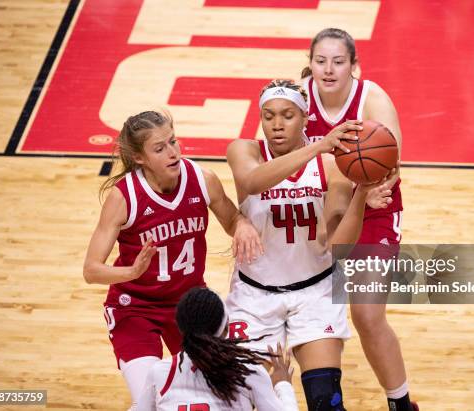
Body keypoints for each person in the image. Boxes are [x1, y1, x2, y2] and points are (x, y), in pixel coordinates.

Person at [225, 79, 393, 411]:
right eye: (268, 115)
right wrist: (318, 146)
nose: (276, 124)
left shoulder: (332, 165)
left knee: (326, 403)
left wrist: (360, 195)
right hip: (255, 296)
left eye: (288, 115)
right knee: (249, 402)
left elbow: (336, 244)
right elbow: (251, 182)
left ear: (305, 118)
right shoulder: (245, 151)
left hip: (314, 293)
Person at [82, 110, 262, 410]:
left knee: (224, 392)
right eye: (160, 148)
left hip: (189, 307)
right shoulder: (124, 197)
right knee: (152, 401)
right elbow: (91, 270)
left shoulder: (203, 180)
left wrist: (243, 225)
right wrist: (133, 271)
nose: (172, 152)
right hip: (136, 308)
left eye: (173, 141)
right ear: (140, 158)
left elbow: (232, 219)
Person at [300, 28, 417, 411]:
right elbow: (271, 155)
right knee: (304, 310)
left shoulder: (372, 98)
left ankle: (401, 403)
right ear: (310, 63)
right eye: (321, 61)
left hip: (373, 206)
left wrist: (362, 186)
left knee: (366, 314)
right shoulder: (297, 100)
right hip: (318, 212)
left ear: (354, 66)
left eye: (338, 61)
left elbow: (390, 163)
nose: (329, 69)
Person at [136, 287, 299, 411]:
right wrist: (283, 385)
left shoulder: (160, 372)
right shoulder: (249, 372)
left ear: (180, 326)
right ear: (226, 328)